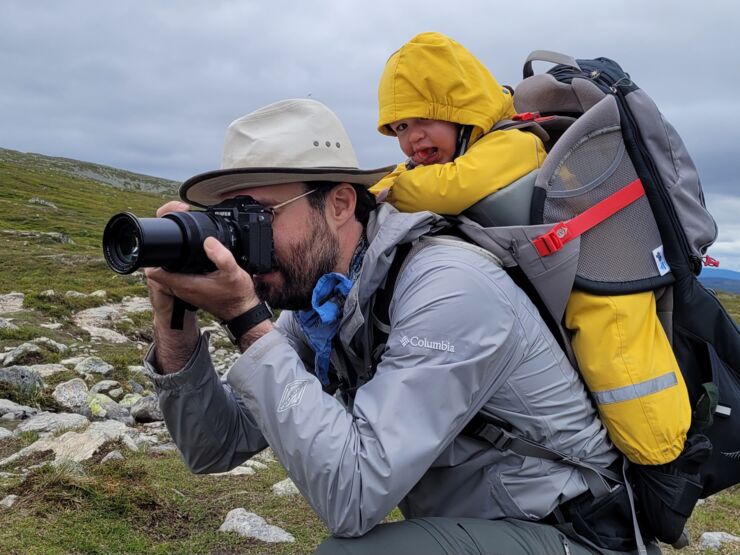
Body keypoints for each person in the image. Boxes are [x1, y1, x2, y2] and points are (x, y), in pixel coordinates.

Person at [143, 98, 658, 554]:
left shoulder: (448, 285)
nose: (245, 239)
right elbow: (215, 445)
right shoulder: (325, 305)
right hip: (484, 529)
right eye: (231, 218)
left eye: (260, 214)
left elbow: (354, 496)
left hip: (578, 535)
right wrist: (175, 322)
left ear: (341, 203)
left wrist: (246, 320)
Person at [370, 32, 690, 470]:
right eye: (400, 128)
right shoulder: (465, 153)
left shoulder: (513, 142)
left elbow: (448, 190)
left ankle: (661, 460)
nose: (411, 140)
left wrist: (378, 192)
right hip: (562, 264)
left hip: (599, 264)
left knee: (617, 352)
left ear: (464, 111)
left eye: (423, 118)